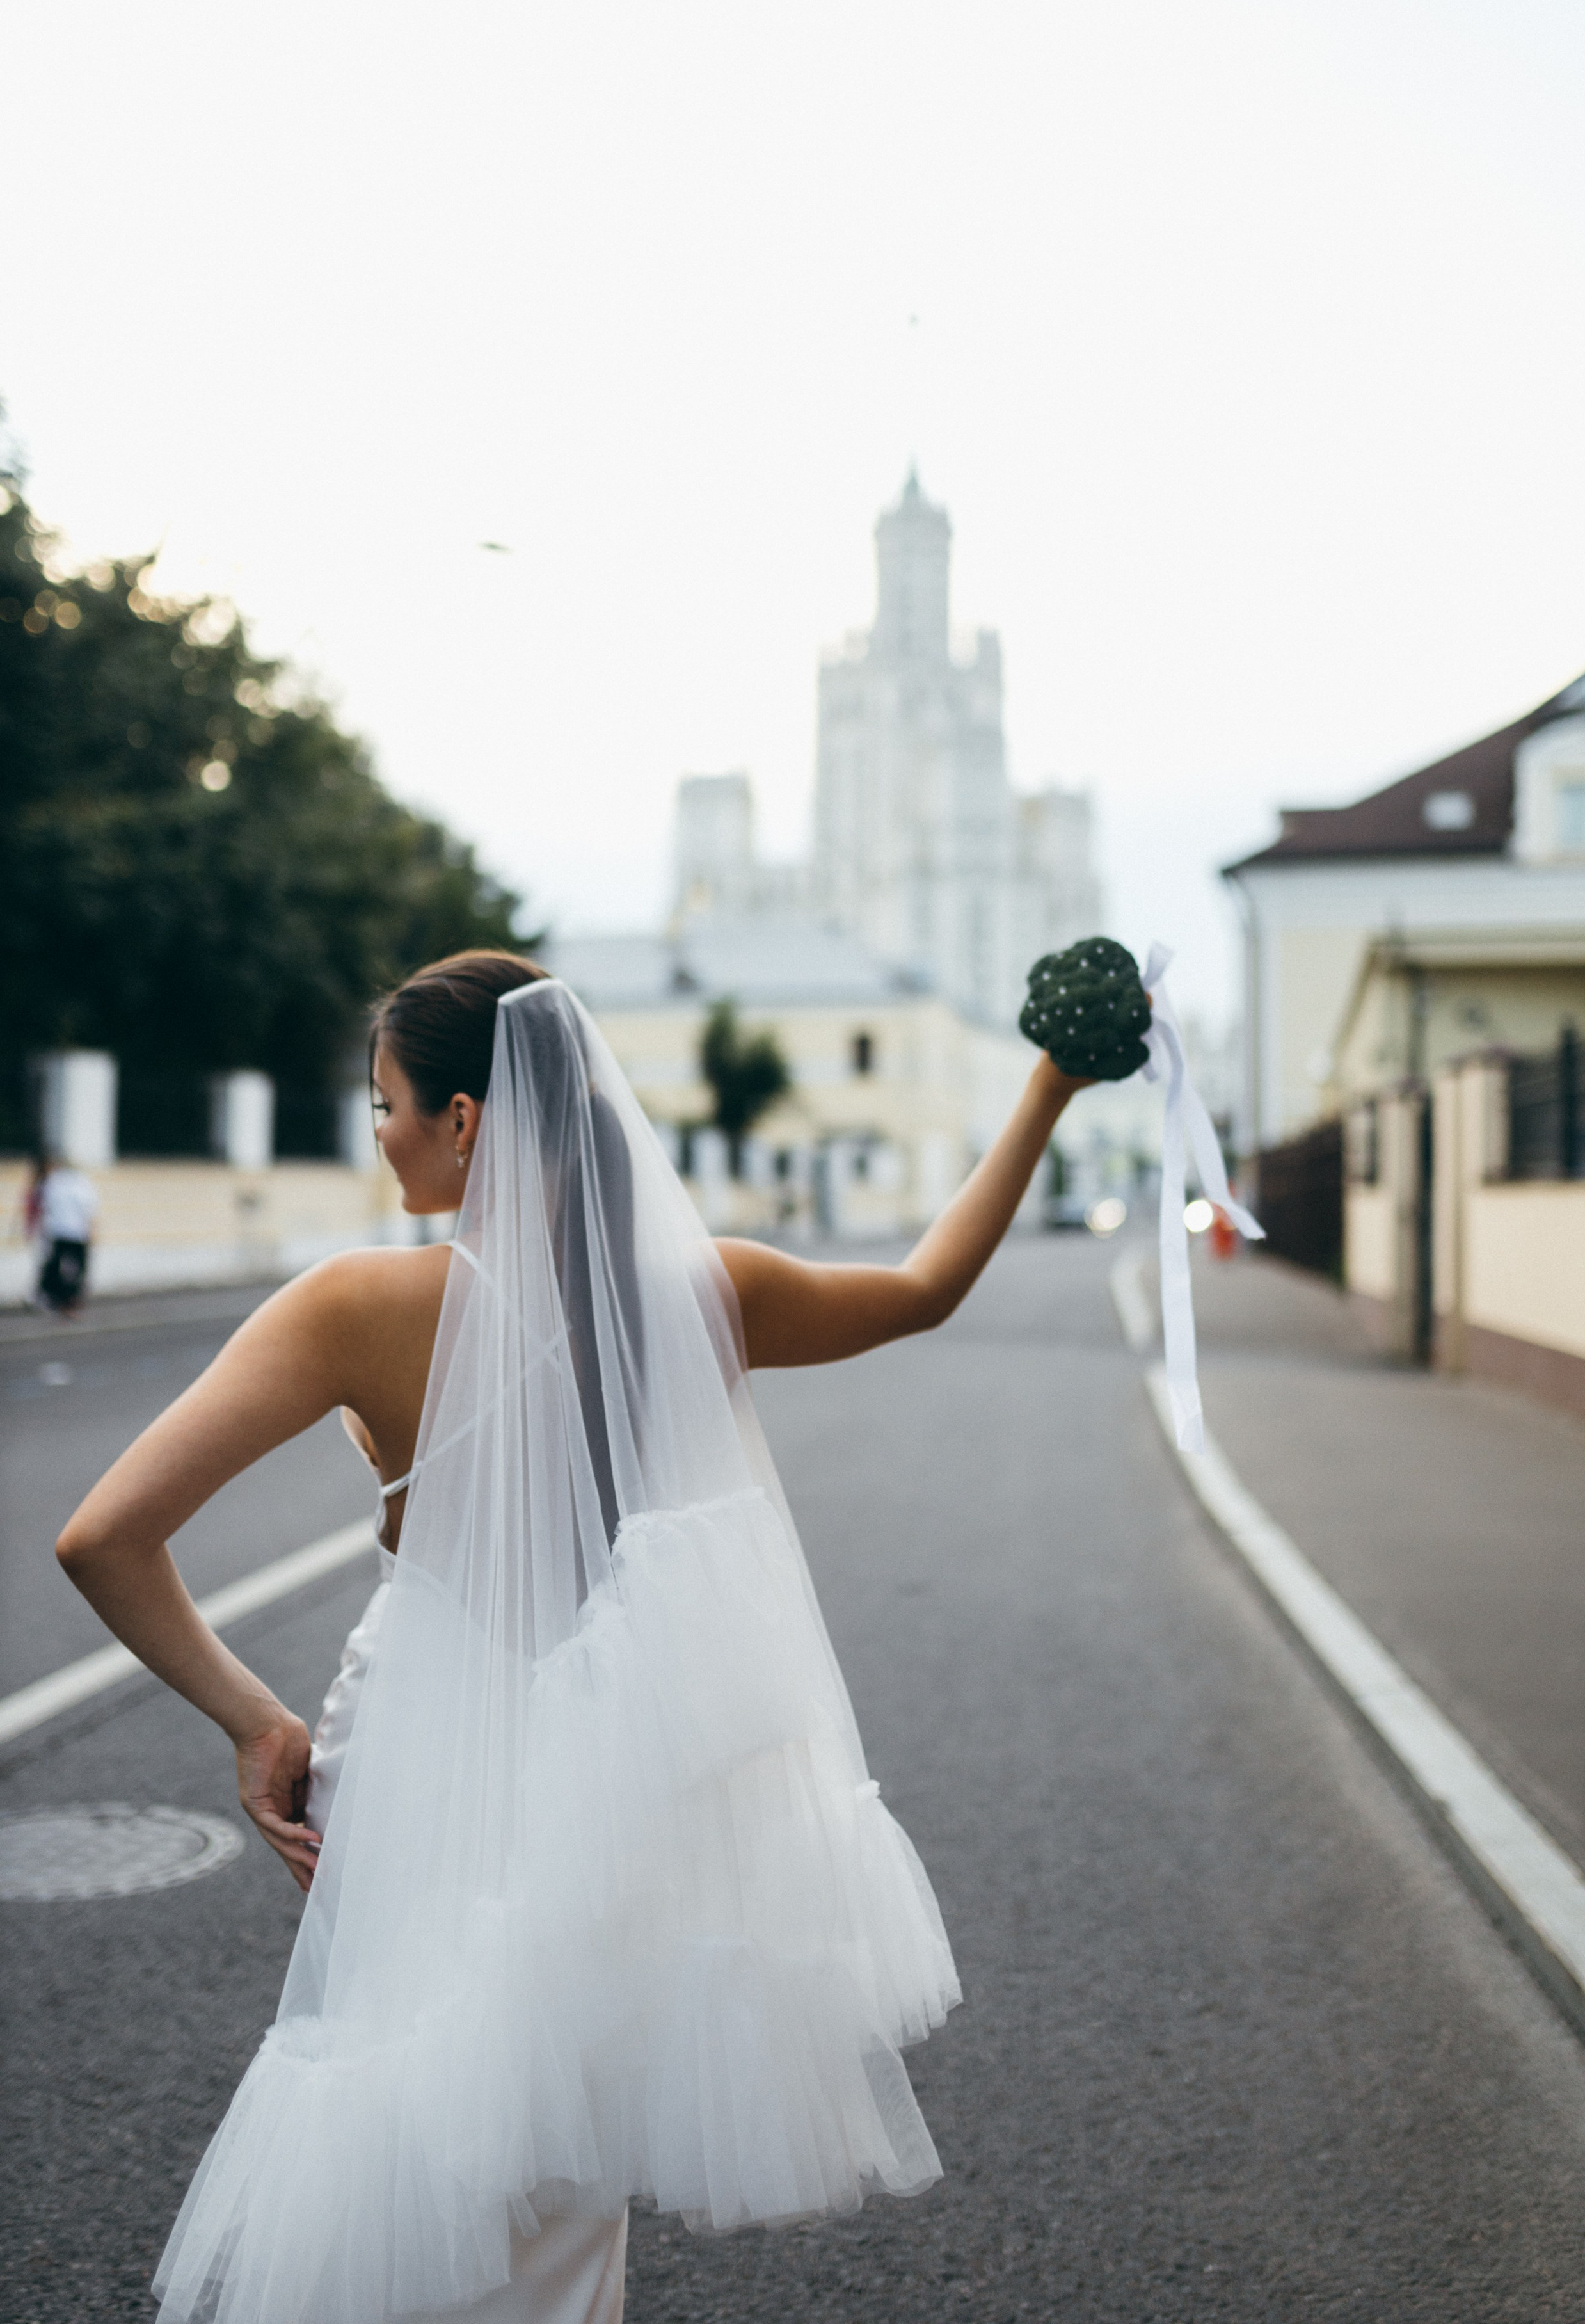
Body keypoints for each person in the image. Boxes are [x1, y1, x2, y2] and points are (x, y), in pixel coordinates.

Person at [56, 952, 1100, 2324]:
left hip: (424, 1765)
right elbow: (922, 1289)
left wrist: (255, 1723)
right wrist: (1049, 1083)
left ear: (467, 1121)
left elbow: (103, 1540)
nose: (378, 1135)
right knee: (560, 2153)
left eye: (385, 1106)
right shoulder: (699, 1292)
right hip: (613, 1779)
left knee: (404, 2114)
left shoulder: (350, 1310)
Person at [35, 1150, 98, 1315]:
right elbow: (90, 1209)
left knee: (55, 1265)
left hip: (58, 1231)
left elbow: (45, 1205)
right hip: (77, 1232)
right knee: (78, 1268)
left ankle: (55, 1297)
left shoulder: (53, 1181)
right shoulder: (83, 1183)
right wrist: (93, 1230)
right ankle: (70, 1299)